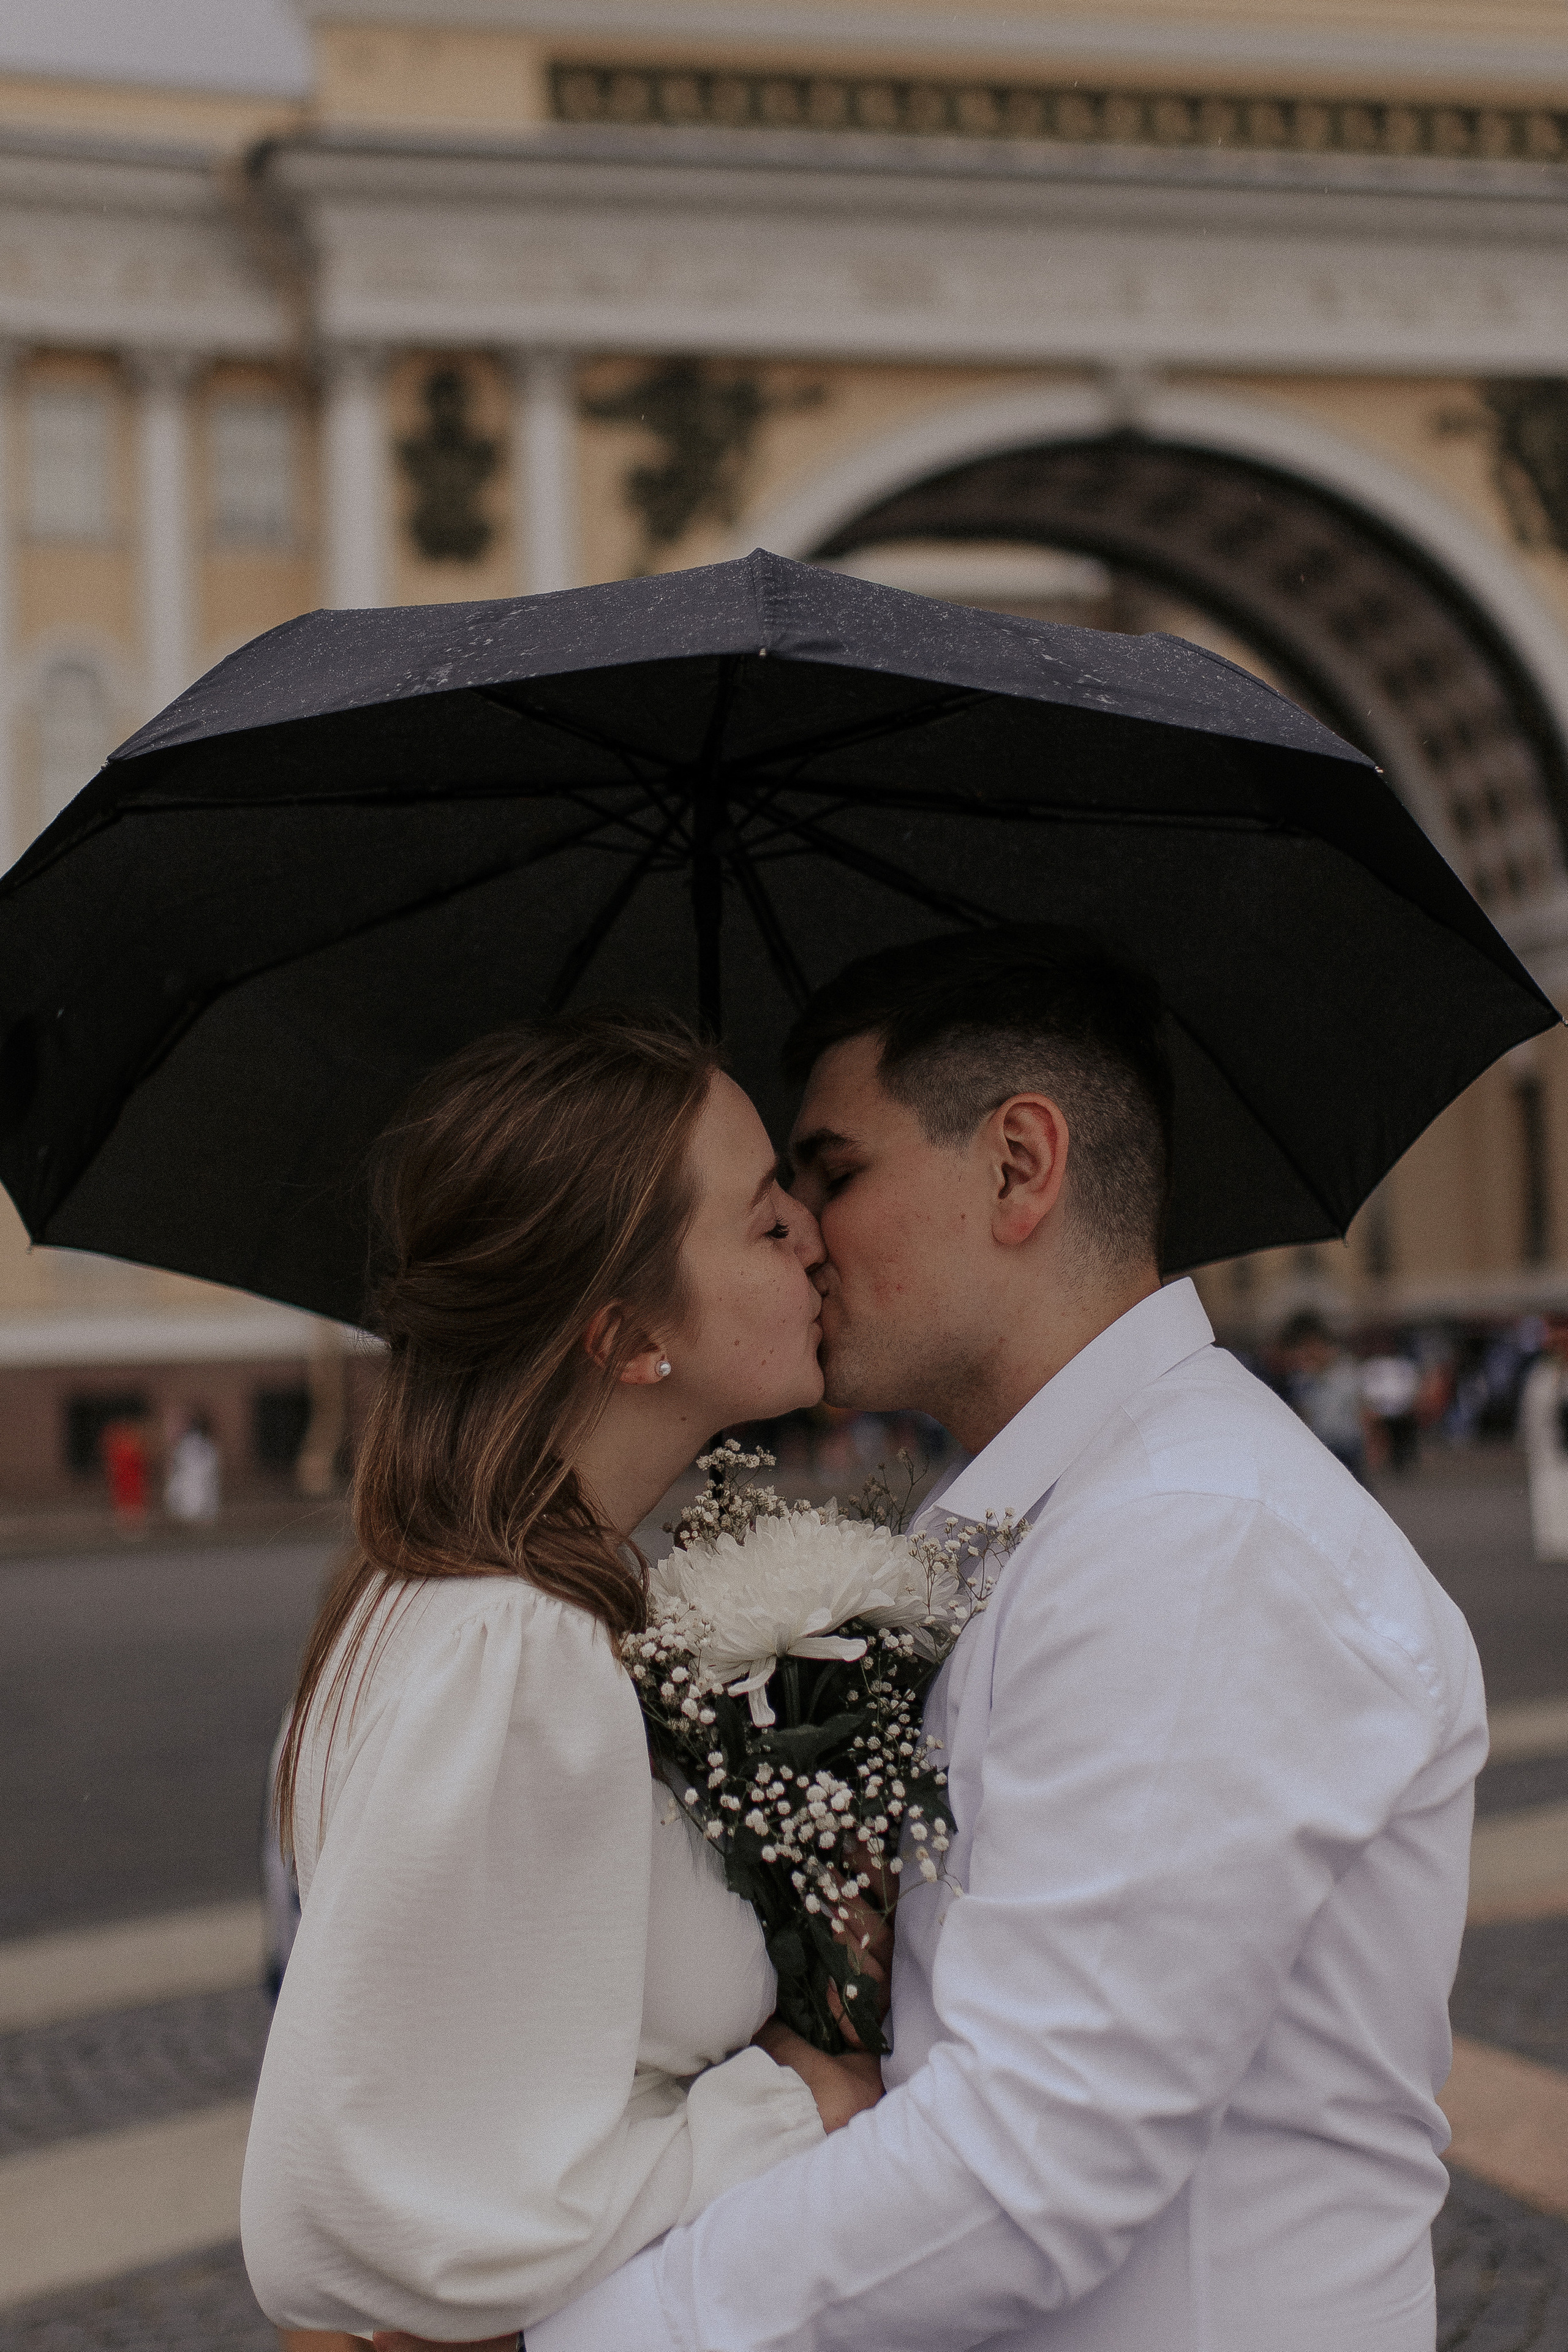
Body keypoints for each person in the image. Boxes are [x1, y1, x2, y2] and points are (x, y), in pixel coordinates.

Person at [490, 925, 1485, 2352]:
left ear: (1018, 1164)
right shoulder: (1059, 1516)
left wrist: (596, 2333)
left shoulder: (1192, 1542)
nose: (801, 1232)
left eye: (832, 1172)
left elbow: (1034, 2155)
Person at [241, 1014, 881, 2345]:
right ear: (627, 1334)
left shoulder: (448, 1603)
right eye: (764, 1223)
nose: (814, 1237)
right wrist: (792, 2096)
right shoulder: (510, 1650)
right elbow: (388, 2227)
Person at [1278, 1308, 1369, 1482]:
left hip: (1348, 1443)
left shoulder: (1346, 1372)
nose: (1313, 1352)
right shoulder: (1302, 1379)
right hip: (1322, 1445)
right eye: (1308, 1348)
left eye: (1316, 1347)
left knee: (1358, 1486)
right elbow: (1300, 1412)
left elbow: (1361, 1408)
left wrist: (1372, 1441)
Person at [1520, 1313, 1568, 1561]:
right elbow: (1533, 1413)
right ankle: (1552, 1540)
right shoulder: (1543, 1375)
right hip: (1549, 1446)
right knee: (1548, 1490)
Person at [164, 1409, 222, 1522]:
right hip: (189, 1477)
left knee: (198, 1497)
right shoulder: (188, 1443)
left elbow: (210, 1461)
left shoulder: (202, 1443)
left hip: (197, 1477)